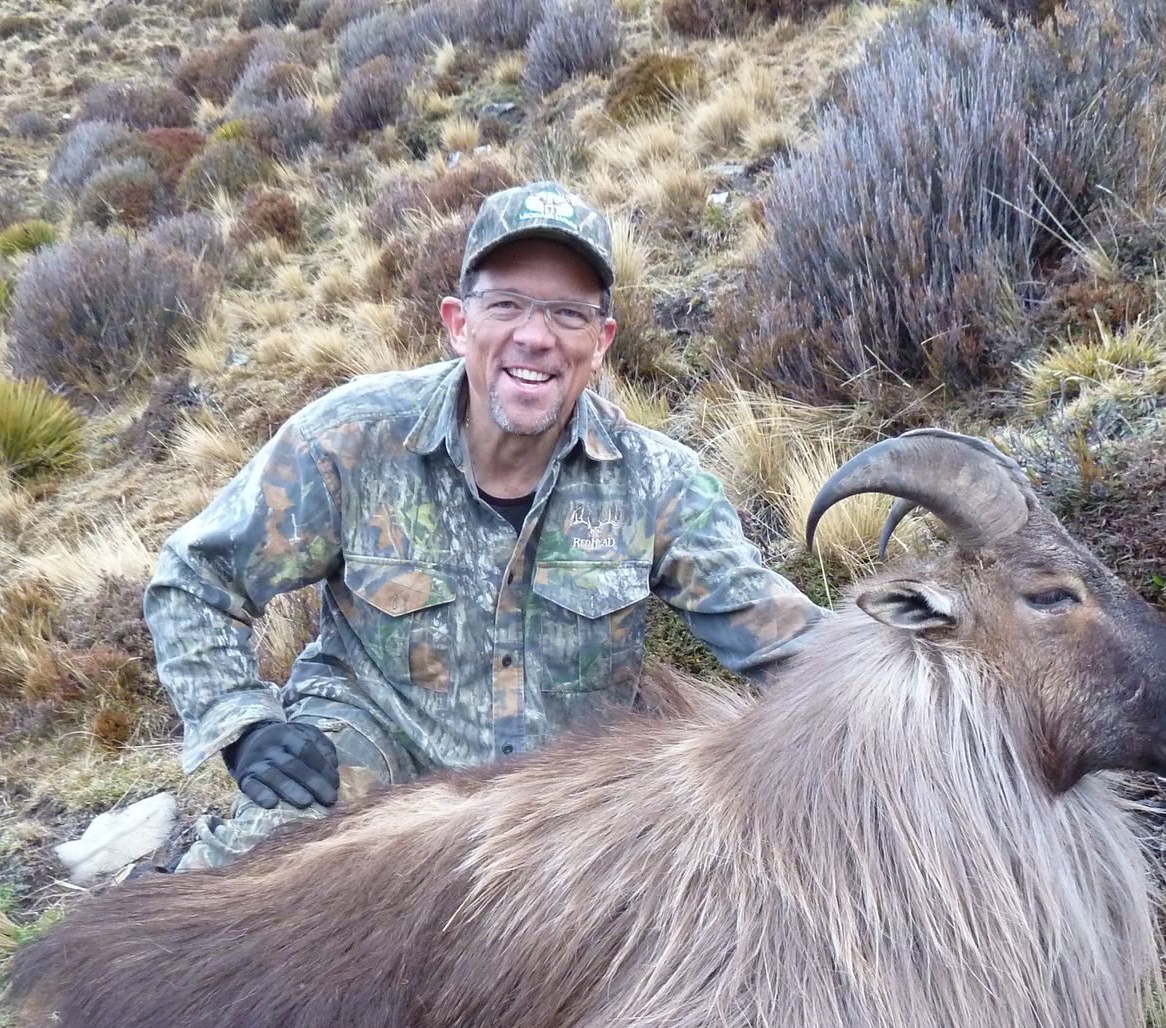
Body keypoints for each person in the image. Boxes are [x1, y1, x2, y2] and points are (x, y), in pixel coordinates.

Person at [145, 180, 828, 870]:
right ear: (457, 322)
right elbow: (196, 579)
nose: (535, 337)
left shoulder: (658, 482)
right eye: (506, 305)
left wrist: (912, 674)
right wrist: (245, 725)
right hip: (376, 760)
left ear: (602, 341)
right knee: (254, 878)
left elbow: (786, 642)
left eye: (568, 314)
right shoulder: (352, 440)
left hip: (563, 807)